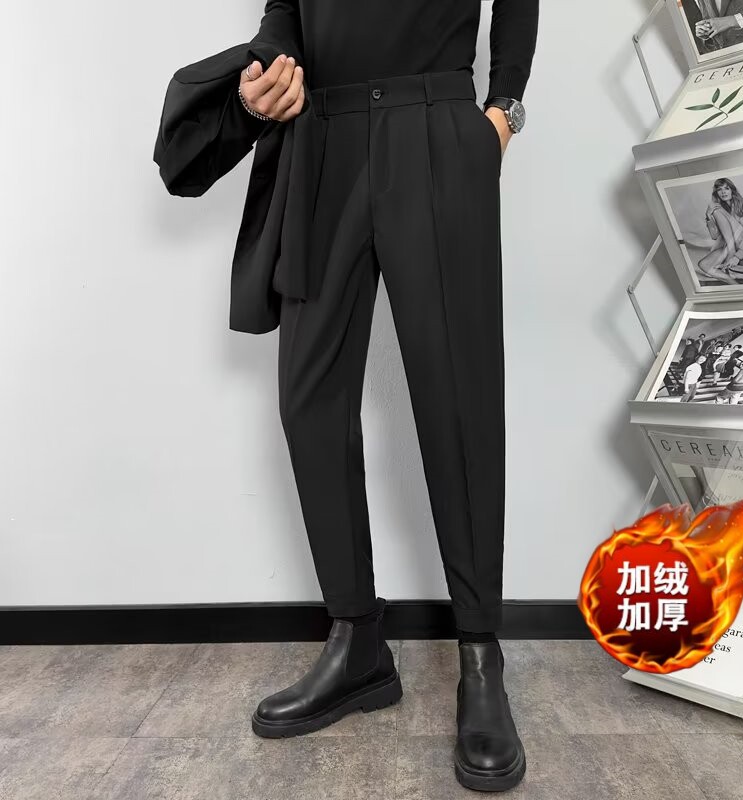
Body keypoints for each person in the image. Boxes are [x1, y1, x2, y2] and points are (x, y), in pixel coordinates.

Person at [156, 1, 540, 792]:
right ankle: (357, 639)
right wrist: (266, 72)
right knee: (309, 399)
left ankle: (480, 655)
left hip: (433, 125)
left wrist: (503, 109)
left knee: (458, 396)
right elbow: (286, 9)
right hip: (321, 135)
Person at [697, 178, 743, 284]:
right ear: (716, 193)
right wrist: (708, 216)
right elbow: (715, 236)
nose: (723, 192)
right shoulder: (723, 213)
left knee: (717, 210)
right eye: (719, 189)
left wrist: (737, 256)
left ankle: (731, 251)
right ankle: (737, 286)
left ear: (732, 190)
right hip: (731, 246)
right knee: (704, 265)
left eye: (726, 188)